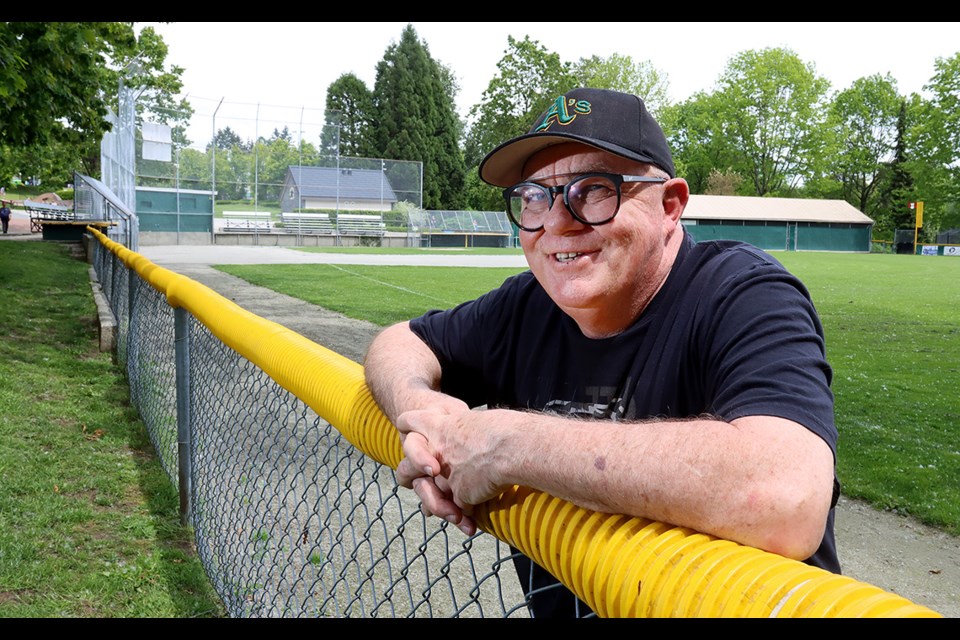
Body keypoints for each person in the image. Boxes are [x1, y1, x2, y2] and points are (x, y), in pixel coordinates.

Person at [363, 87, 840, 618]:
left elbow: (785, 495)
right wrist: (423, 413)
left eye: (594, 189)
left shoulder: (742, 293)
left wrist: (507, 443)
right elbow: (400, 340)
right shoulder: (528, 306)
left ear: (669, 206)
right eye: (534, 196)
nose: (555, 221)